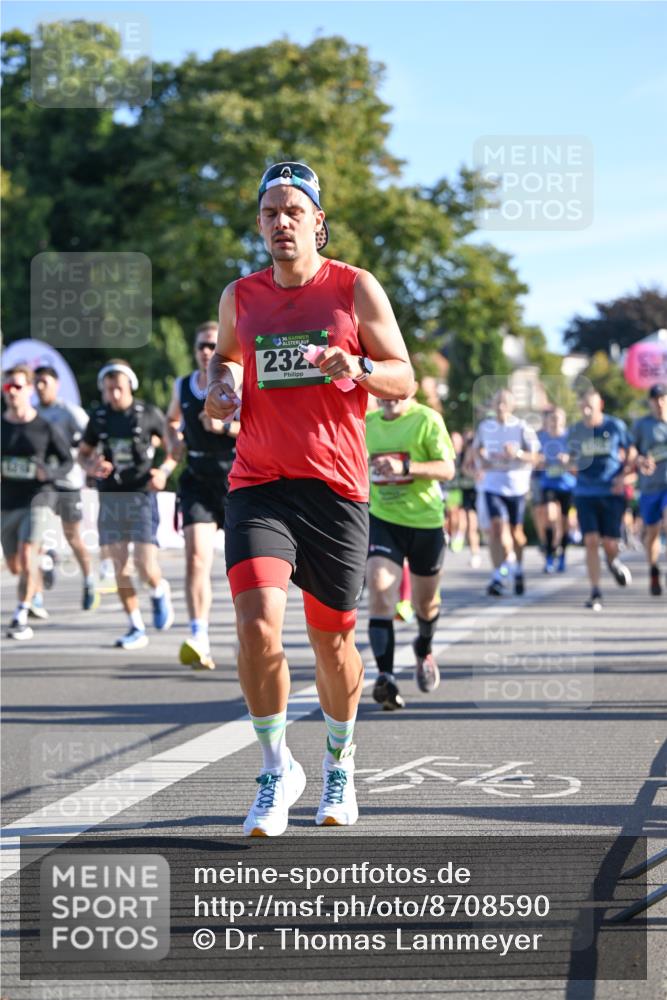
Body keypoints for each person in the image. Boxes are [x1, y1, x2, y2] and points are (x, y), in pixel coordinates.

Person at [204, 160, 413, 836]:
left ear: (317, 221)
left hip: (335, 489)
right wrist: (222, 383)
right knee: (257, 622)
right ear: (260, 225)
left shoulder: (354, 289)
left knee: (331, 644)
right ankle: (273, 769)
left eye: (294, 211)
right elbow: (227, 359)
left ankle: (338, 764)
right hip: (259, 484)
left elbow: (403, 376)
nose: (281, 222)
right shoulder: (241, 295)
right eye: (270, 213)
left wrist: (359, 368)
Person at [78, 360, 176, 649]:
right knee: (119, 568)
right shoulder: (98, 418)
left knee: (146, 566)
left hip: (141, 494)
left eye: (119, 388)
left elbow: (174, 447)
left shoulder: (148, 415)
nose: (114, 394)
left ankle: (159, 590)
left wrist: (164, 472)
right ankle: (135, 625)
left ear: (130, 386)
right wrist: (92, 466)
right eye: (109, 389)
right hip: (110, 497)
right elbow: (82, 454)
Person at [365, 394, 455, 710]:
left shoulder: (427, 419)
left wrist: (406, 466)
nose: (389, 396)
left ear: (411, 388)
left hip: (425, 521)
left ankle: (424, 648)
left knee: (425, 603)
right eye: (382, 390)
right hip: (383, 519)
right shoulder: (368, 424)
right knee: (379, 590)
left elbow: (447, 469)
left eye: (396, 389)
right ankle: (386, 677)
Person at [166, 322, 240, 670]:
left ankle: (249, 638)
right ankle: (199, 637)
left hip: (236, 477)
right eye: (201, 346)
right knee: (196, 557)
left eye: (213, 345)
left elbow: (258, 424)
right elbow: (170, 420)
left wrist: (224, 426)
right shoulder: (182, 385)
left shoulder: (236, 383)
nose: (207, 352)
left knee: (242, 567)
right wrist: (174, 441)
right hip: (196, 477)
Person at [1, 365, 72, 640]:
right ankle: (45, 560)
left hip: (38, 499)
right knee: (15, 566)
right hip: (6, 501)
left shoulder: (45, 427)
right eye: (7, 387)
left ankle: (21, 613)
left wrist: (50, 473)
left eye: (17, 386)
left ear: (30, 389)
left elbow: (67, 461)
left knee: (26, 551)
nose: (11, 392)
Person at [33, 365, 98, 610]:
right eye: (36, 382)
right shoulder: (33, 413)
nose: (40, 387)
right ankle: (36, 594)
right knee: (36, 537)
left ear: (56, 385)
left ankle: (89, 579)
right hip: (42, 484)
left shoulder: (70, 412)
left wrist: (92, 467)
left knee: (73, 537)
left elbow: (92, 439)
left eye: (45, 382)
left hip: (69, 481)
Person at [566, 387, 634, 611]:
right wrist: (567, 462)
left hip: (611, 491)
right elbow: (570, 457)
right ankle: (595, 591)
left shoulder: (615, 426)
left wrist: (623, 477)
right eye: (583, 407)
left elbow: (631, 452)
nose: (586, 411)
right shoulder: (576, 430)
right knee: (591, 541)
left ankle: (613, 562)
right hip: (585, 492)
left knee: (610, 543)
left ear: (600, 405)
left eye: (590, 407)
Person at [472, 389, 539, 596]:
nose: (500, 407)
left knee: (516, 535)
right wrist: (481, 462)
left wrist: (517, 453)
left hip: (516, 486)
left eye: (504, 403)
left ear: (512, 406)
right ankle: (497, 575)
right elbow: (475, 450)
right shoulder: (485, 427)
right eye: (497, 403)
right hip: (493, 484)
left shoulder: (521, 427)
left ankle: (517, 569)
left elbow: (536, 457)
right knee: (497, 529)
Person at [633, 383, 667, 596]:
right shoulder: (642, 425)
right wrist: (641, 460)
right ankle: (654, 569)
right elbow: (630, 453)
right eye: (655, 400)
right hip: (649, 487)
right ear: (650, 402)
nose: (660, 403)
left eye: (663, 399)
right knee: (652, 533)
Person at [536, 407, 576, 573]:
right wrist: (540, 462)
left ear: (563, 421)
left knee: (565, 523)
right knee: (550, 517)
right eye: (552, 418)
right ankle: (550, 555)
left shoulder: (570, 437)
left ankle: (563, 555)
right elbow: (535, 458)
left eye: (558, 418)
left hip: (567, 485)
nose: (555, 421)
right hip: (549, 484)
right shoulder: (542, 437)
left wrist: (567, 460)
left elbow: (578, 460)